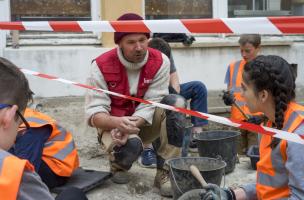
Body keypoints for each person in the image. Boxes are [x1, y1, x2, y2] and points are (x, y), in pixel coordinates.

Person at [85, 13, 187, 197]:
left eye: (142, 39)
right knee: (130, 146)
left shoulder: (161, 61)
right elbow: (94, 113)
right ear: (120, 43)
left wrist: (130, 125)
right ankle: (119, 165)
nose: (139, 47)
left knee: (177, 104)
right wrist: (117, 124)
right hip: (112, 125)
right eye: (131, 42)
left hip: (143, 121)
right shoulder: (100, 65)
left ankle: (165, 173)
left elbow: (154, 101)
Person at [193, 55, 304, 200]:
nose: (242, 95)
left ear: (263, 95)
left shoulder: (297, 136)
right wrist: (230, 194)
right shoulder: (270, 124)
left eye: (244, 89)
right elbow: (268, 185)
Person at [0, 57, 87, 200]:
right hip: (43, 161)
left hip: (57, 169)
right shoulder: (25, 125)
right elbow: (23, 165)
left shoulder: (33, 128)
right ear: (10, 116)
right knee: (74, 195)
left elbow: (27, 157)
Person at [137, 37, 208, 166]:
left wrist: (175, 97)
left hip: (167, 90)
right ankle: (147, 149)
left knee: (198, 87)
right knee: (145, 106)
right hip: (146, 96)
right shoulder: (139, 55)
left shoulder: (163, 49)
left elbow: (174, 78)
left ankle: (196, 137)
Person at [10, 107, 80, 189]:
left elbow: (26, 168)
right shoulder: (19, 115)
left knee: (9, 162)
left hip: (57, 171)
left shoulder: (29, 128)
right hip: (42, 158)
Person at [223, 34, 262, 154]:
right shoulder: (232, 67)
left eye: (248, 51)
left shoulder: (266, 67)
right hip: (237, 121)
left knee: (254, 158)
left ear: (258, 48)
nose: (244, 54)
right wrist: (227, 98)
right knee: (237, 158)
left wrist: (262, 118)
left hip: (257, 121)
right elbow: (230, 91)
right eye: (241, 51)